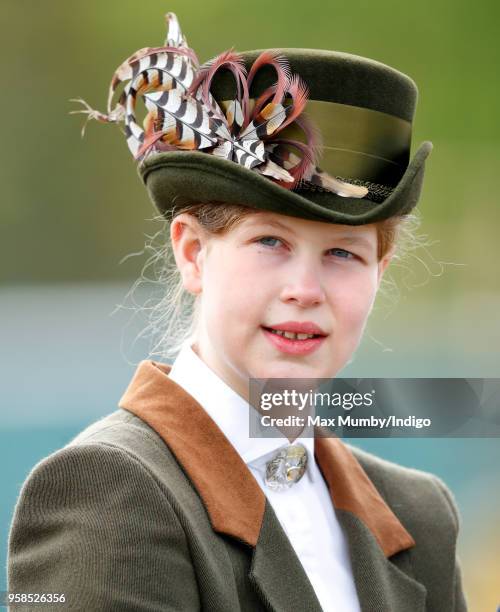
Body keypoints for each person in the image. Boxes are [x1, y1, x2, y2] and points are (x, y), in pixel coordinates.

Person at [7, 11, 467, 612]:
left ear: (379, 274)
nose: (306, 288)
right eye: (270, 242)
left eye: (343, 254)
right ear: (194, 253)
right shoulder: (108, 493)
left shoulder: (421, 515)